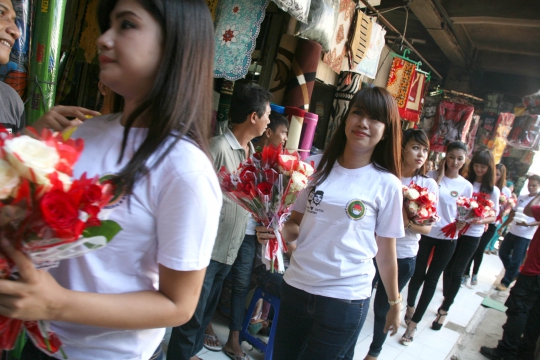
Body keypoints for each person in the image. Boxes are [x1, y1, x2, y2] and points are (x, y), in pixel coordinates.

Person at [0, 1, 221, 359]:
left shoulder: (184, 169)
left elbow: (179, 305)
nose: (103, 39)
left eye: (127, 25)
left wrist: (56, 304)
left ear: (175, 44)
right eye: (108, 26)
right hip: (40, 345)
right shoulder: (84, 132)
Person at [257, 87, 404, 360]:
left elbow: (386, 254)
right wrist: (274, 228)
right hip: (297, 287)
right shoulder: (313, 168)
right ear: (346, 119)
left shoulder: (387, 184)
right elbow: (295, 224)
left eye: (375, 118)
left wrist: (394, 303)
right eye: (358, 113)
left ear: (386, 130)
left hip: (344, 299)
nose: (363, 123)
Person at [167, 83, 271, 360]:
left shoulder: (249, 154)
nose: (269, 121)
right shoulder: (217, 148)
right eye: (267, 115)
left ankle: (191, 353)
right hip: (207, 249)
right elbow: (190, 196)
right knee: (193, 313)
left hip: (229, 248)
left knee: (206, 310)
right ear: (253, 116)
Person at [364, 129, 438, 359]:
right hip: (371, 250)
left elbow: (426, 228)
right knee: (359, 301)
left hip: (403, 255)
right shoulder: (383, 175)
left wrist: (401, 223)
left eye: (425, 150)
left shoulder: (428, 185)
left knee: (382, 308)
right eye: (416, 147)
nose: (421, 154)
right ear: (401, 147)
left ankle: (374, 352)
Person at [403, 141, 473, 345]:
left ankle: (413, 325)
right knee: (417, 275)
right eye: (452, 157)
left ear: (464, 160)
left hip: (448, 239)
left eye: (460, 158)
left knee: (432, 279)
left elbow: (465, 212)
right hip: (425, 233)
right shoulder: (430, 177)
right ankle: (409, 307)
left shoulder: (465, 186)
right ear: (445, 156)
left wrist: (463, 221)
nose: (455, 162)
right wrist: (439, 179)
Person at [0, 0, 99, 134]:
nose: (16, 32)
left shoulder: (10, 101)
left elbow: (12, 152)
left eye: (13, 20)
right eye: (1, 13)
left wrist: (30, 139)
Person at [480, 192, 540, 360]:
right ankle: (525, 353)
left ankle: (506, 351)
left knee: (518, 310)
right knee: (535, 315)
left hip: (534, 272)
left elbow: (529, 209)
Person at [461, 152, 501, 287]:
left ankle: (449, 298)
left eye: (482, 167)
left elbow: (494, 216)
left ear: (489, 168)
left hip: (474, 232)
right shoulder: (465, 183)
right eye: (476, 165)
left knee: (459, 266)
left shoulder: (493, 190)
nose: (478, 169)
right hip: (457, 229)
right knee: (449, 265)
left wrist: (480, 221)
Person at [495, 175, 540, 291]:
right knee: (503, 253)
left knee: (517, 259)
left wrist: (528, 224)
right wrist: (503, 226)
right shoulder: (522, 197)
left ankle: (505, 282)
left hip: (525, 235)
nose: (531, 187)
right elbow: (513, 214)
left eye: (534, 185)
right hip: (513, 231)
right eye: (529, 185)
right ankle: (515, 272)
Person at [485, 165, 513, 255]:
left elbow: (509, 205)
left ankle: (489, 247)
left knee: (493, 236)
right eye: (493, 173)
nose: (495, 176)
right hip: (482, 217)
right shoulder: (486, 186)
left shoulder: (506, 191)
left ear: (502, 176)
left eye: (497, 174)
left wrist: (504, 212)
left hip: (496, 219)